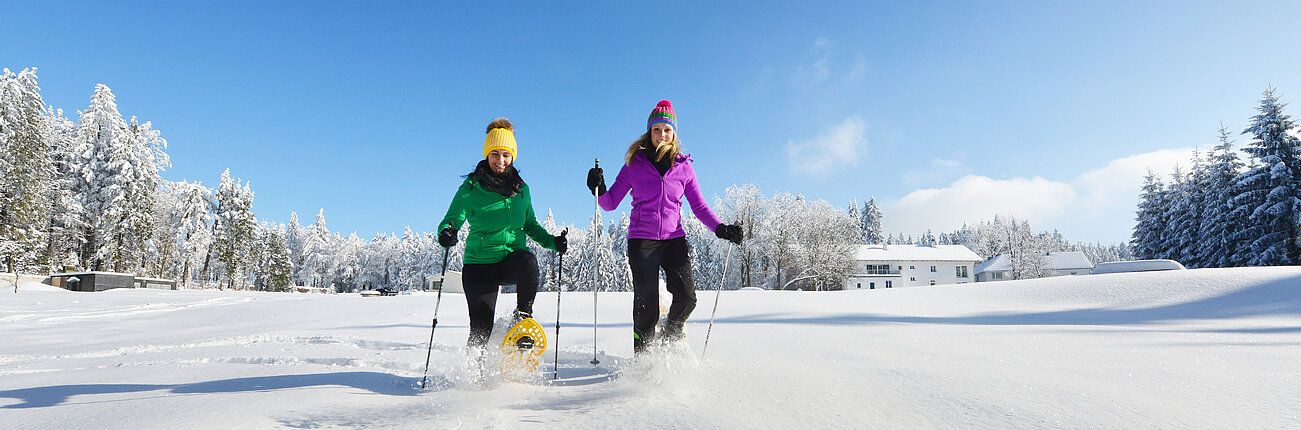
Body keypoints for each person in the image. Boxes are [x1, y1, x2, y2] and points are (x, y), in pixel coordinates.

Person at [586, 100, 743, 354]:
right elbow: (610, 202)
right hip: (642, 241)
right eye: (657, 129)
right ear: (649, 132)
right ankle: (643, 359)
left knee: (687, 297)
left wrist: (721, 229)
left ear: (674, 134)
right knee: (646, 304)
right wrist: (599, 188)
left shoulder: (684, 167)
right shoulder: (633, 164)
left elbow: (700, 207)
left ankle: (672, 332)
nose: (662, 135)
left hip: (673, 240)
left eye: (667, 130)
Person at [438, 117, 567, 350]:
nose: (501, 160)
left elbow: (530, 224)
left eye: (506, 155)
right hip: (479, 264)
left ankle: (523, 318)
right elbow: (452, 218)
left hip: (510, 260)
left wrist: (553, 242)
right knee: (480, 328)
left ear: (512, 156)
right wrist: (448, 231)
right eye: (495, 154)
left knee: (527, 260)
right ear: (487, 154)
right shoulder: (471, 187)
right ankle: (473, 375)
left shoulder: (521, 188)